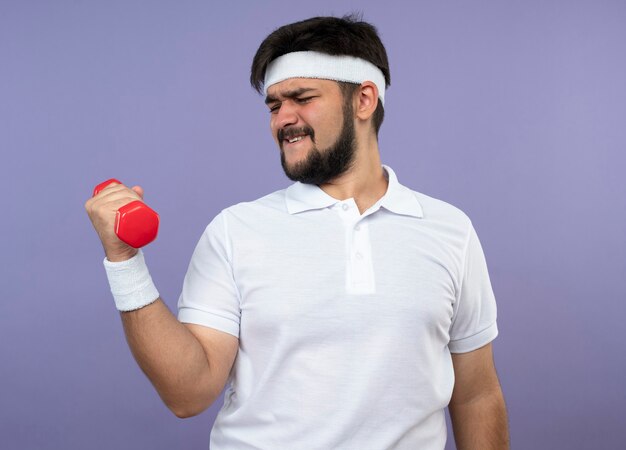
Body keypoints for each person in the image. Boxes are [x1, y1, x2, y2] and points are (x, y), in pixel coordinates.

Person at [85, 14, 509, 450]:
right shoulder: (235, 231)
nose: (283, 119)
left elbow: (476, 394)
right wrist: (124, 261)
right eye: (273, 105)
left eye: (302, 98)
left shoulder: (449, 231)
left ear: (364, 100)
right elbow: (187, 394)